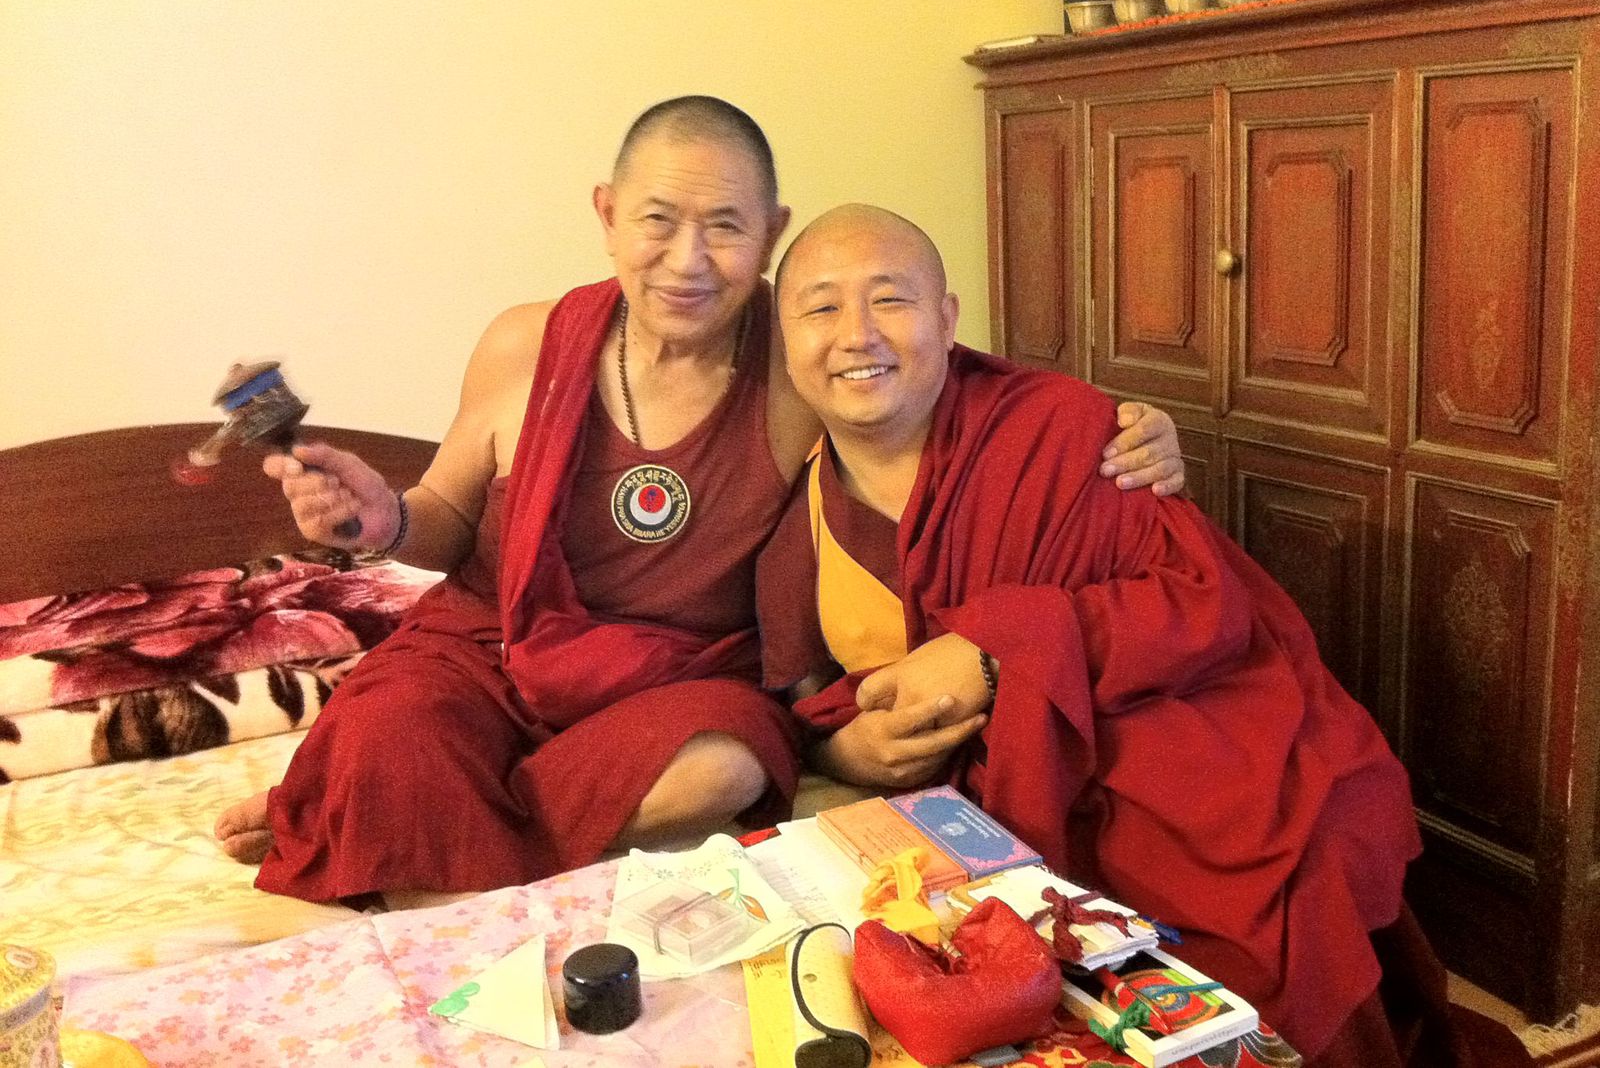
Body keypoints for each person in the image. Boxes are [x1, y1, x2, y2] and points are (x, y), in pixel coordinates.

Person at [213, 98, 1186, 902]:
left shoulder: (798, 365)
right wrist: (378, 519)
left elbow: (955, 388)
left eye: (724, 227)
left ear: (768, 232)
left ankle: (409, 817)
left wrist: (1126, 423)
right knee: (391, 730)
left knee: (720, 770)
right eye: (657, 220)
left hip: (677, 674)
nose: (687, 259)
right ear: (605, 213)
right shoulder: (525, 343)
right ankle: (406, 795)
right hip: (493, 647)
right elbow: (447, 519)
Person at [755, 204, 1534, 1068]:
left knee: (1286, 869)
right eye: (821, 307)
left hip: (1147, 732)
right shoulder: (795, 520)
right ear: (785, 339)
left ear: (947, 318)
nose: (856, 334)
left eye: (890, 300)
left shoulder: (1070, 431)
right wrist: (850, 754)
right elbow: (799, 703)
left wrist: (996, 653)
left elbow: (1201, 604)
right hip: (975, 786)